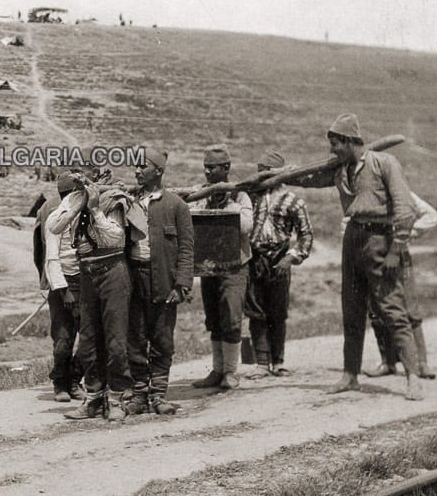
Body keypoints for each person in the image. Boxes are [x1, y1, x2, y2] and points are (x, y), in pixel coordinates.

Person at [291, 113, 423, 401]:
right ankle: (350, 375)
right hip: (352, 240)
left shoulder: (384, 164)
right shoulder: (340, 169)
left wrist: (395, 250)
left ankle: (413, 376)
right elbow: (309, 178)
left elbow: (405, 210)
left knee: (392, 309)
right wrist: (281, 174)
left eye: (335, 143)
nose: (331, 149)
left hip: (380, 241)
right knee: (351, 309)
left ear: (351, 141)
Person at [48, 173, 132, 421]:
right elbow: (54, 226)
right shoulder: (73, 199)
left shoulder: (115, 198)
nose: (81, 179)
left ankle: (117, 398)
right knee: (88, 340)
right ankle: (93, 398)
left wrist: (95, 209)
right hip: (87, 272)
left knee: (116, 340)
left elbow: (115, 237)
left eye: (87, 173)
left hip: (113, 270)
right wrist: (78, 202)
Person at [124, 149, 194, 415]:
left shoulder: (176, 206)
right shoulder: (127, 202)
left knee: (163, 339)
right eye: (136, 167)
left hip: (164, 282)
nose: (137, 171)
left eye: (143, 167)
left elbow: (187, 249)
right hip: (133, 281)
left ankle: (159, 395)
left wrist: (181, 284)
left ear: (159, 171)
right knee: (135, 338)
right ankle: (140, 394)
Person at [188, 145, 253, 391]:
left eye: (212, 167)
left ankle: (230, 371)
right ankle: (217, 369)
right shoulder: (200, 193)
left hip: (235, 265)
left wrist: (226, 206)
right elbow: (189, 214)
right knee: (213, 318)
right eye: (205, 167)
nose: (207, 172)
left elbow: (246, 226)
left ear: (226, 168)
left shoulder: (240, 195)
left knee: (232, 317)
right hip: (209, 266)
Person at [245, 149, 314, 378]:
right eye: (259, 172)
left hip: (280, 258)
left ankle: (279, 361)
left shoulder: (292, 201)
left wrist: (290, 258)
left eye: (266, 173)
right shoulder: (250, 197)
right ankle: (261, 363)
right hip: (254, 258)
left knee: (278, 311)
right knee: (255, 311)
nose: (261, 177)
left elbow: (306, 235)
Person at [363, 192, 437, 378]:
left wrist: (408, 233)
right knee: (377, 310)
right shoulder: (364, 192)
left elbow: (431, 216)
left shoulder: (399, 191)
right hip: (371, 256)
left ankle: (421, 362)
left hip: (398, 256)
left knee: (409, 309)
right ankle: (388, 362)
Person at [33, 173, 85, 403]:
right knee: (63, 337)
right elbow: (42, 250)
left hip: (85, 280)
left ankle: (75, 379)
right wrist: (49, 281)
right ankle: (60, 383)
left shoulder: (87, 205)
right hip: (59, 280)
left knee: (89, 337)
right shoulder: (50, 211)